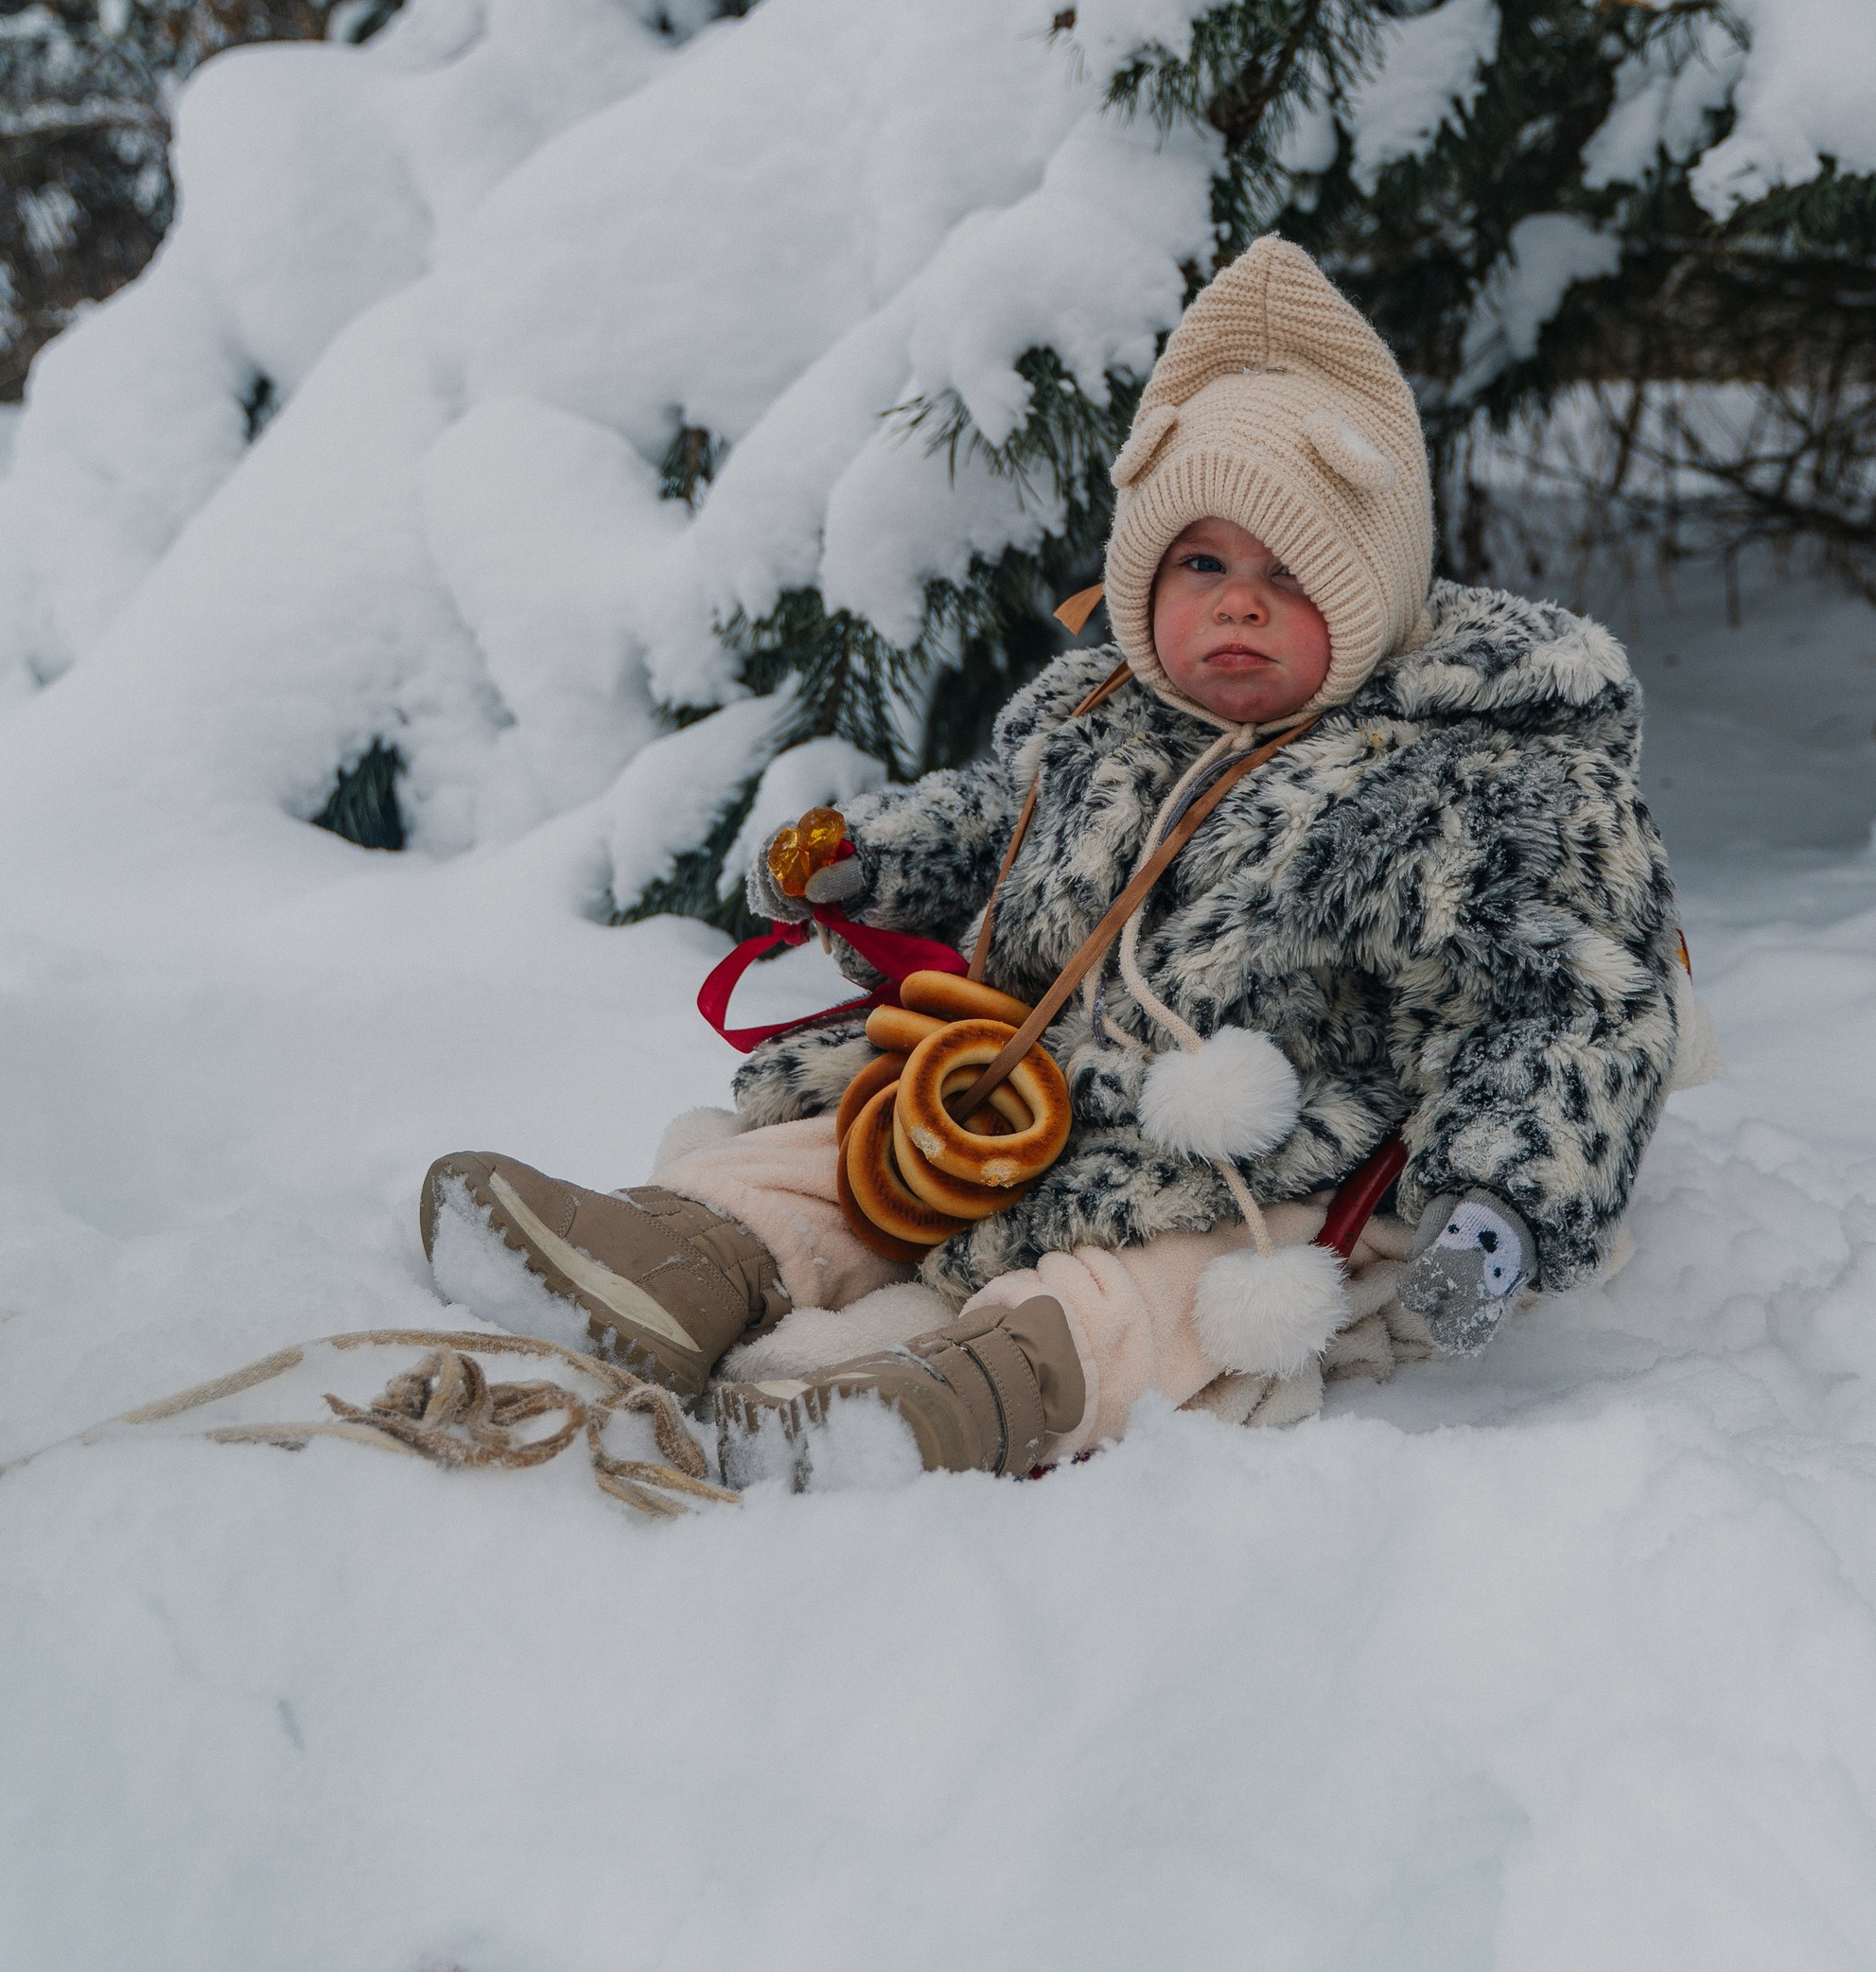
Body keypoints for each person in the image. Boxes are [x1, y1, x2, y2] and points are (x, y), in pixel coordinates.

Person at [420, 239, 1695, 1485]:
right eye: (1202, 562)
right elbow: (996, 820)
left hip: (1259, 1146)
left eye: (1292, 572)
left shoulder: (1477, 783)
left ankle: (978, 1388)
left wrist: (1501, 1199)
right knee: (838, 1149)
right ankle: (679, 1258)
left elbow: (1575, 1002)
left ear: (1377, 591)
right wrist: (868, 862)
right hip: (1017, 1076)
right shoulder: (1098, 713)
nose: (1238, 601)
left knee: (1161, 1291)